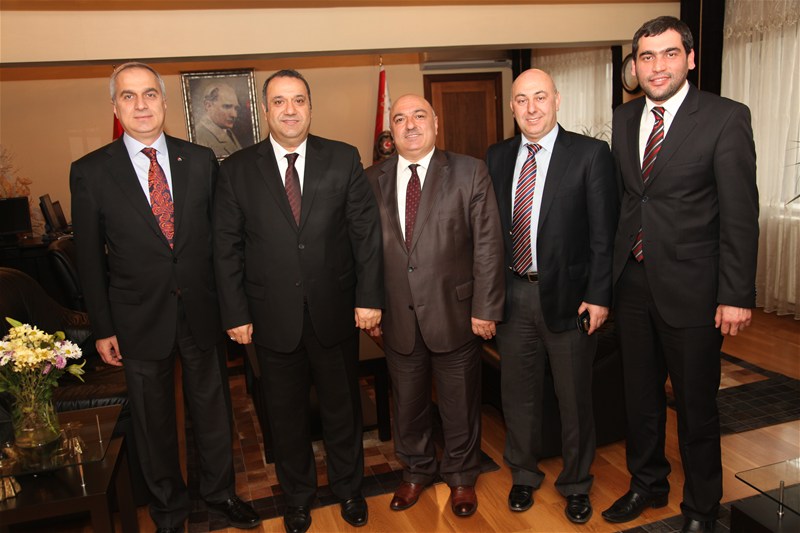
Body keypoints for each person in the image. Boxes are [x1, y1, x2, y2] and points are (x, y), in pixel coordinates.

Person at [70, 62, 261, 533]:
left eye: (150, 94)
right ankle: (168, 511)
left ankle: (220, 493)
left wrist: (232, 307)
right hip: (137, 317)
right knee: (153, 421)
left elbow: (220, 242)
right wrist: (103, 327)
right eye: (129, 96)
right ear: (115, 106)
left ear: (164, 102)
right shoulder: (91, 171)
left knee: (213, 410)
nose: (141, 105)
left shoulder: (199, 160)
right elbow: (89, 259)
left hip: (201, 309)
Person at [602, 16, 759, 533]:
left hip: (695, 290)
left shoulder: (725, 117)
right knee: (638, 400)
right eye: (646, 56)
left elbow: (740, 214)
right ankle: (647, 484)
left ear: (690, 58)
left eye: (669, 54)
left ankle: (701, 508)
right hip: (632, 283)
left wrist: (736, 294)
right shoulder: (624, 118)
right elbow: (629, 201)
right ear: (635, 65)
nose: (657, 66)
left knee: (696, 407)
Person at [213, 69, 383, 533]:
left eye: (299, 100)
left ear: (310, 106)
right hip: (270, 317)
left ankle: (350, 490)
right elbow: (226, 248)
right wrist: (235, 312)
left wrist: (369, 298)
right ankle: (298, 500)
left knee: (343, 409)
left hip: (335, 310)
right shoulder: (236, 169)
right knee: (285, 417)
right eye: (280, 101)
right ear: (265, 110)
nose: (290, 110)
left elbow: (366, 235)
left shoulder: (342, 158)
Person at [485, 68, 618, 524]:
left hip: (571, 299)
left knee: (574, 400)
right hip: (513, 296)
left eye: (540, 97)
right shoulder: (497, 156)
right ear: (512, 107)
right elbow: (489, 234)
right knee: (517, 395)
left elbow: (604, 234)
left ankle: (577, 484)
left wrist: (599, 296)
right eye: (522, 100)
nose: (531, 108)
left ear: (557, 100)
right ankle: (523, 474)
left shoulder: (590, 154)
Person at [365, 94, 504, 518]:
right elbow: (364, 250)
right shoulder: (371, 179)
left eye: (419, 116)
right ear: (391, 131)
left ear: (436, 123)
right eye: (400, 118)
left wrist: (485, 307)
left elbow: (487, 244)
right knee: (408, 405)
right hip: (397, 315)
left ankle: (461, 477)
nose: (410, 125)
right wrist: (370, 304)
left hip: (456, 313)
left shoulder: (469, 171)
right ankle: (416, 471)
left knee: (460, 404)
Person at [195, 83, 244, 158]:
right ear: (208, 106)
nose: (234, 115)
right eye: (227, 107)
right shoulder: (198, 137)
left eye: (236, 108)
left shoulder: (226, 130)